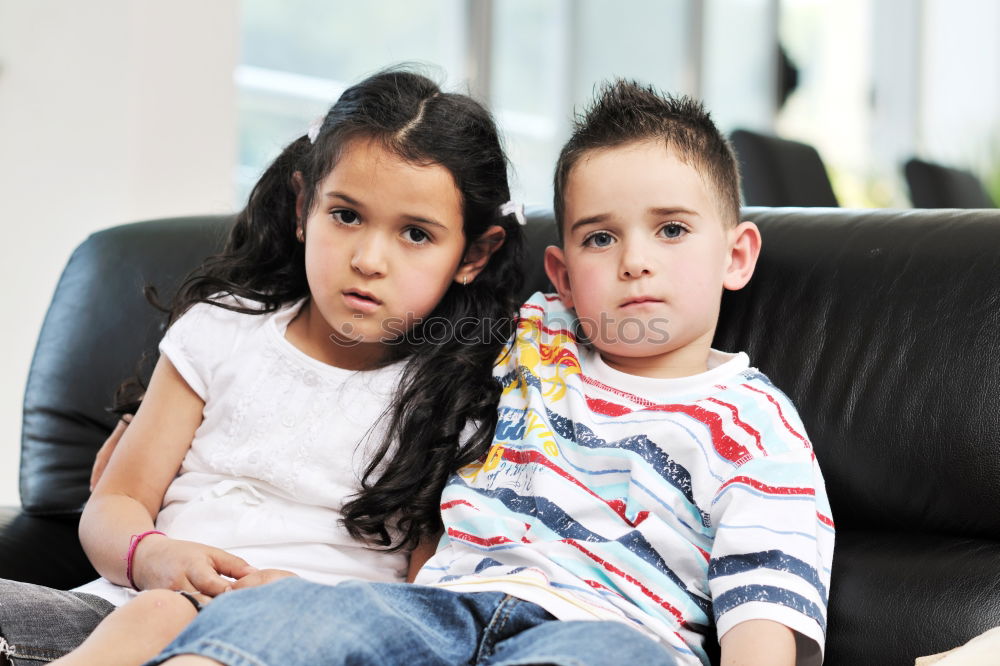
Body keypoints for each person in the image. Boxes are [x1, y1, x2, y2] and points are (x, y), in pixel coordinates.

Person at [145, 80, 834, 666]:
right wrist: (161, 427)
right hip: (440, 615)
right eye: (601, 237)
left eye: (672, 230)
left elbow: (764, 599)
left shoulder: (755, 426)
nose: (635, 261)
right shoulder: (525, 338)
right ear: (560, 275)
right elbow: (368, 329)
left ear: (736, 256)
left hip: (607, 633)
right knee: (281, 617)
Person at [0, 67, 526, 666]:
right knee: (159, 611)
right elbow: (114, 501)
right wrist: (152, 556)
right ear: (305, 208)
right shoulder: (222, 328)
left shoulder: (460, 392)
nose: (369, 259)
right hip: (124, 610)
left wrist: (312, 611)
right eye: (347, 215)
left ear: (473, 255)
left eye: (414, 234)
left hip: (302, 638)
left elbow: (434, 591)